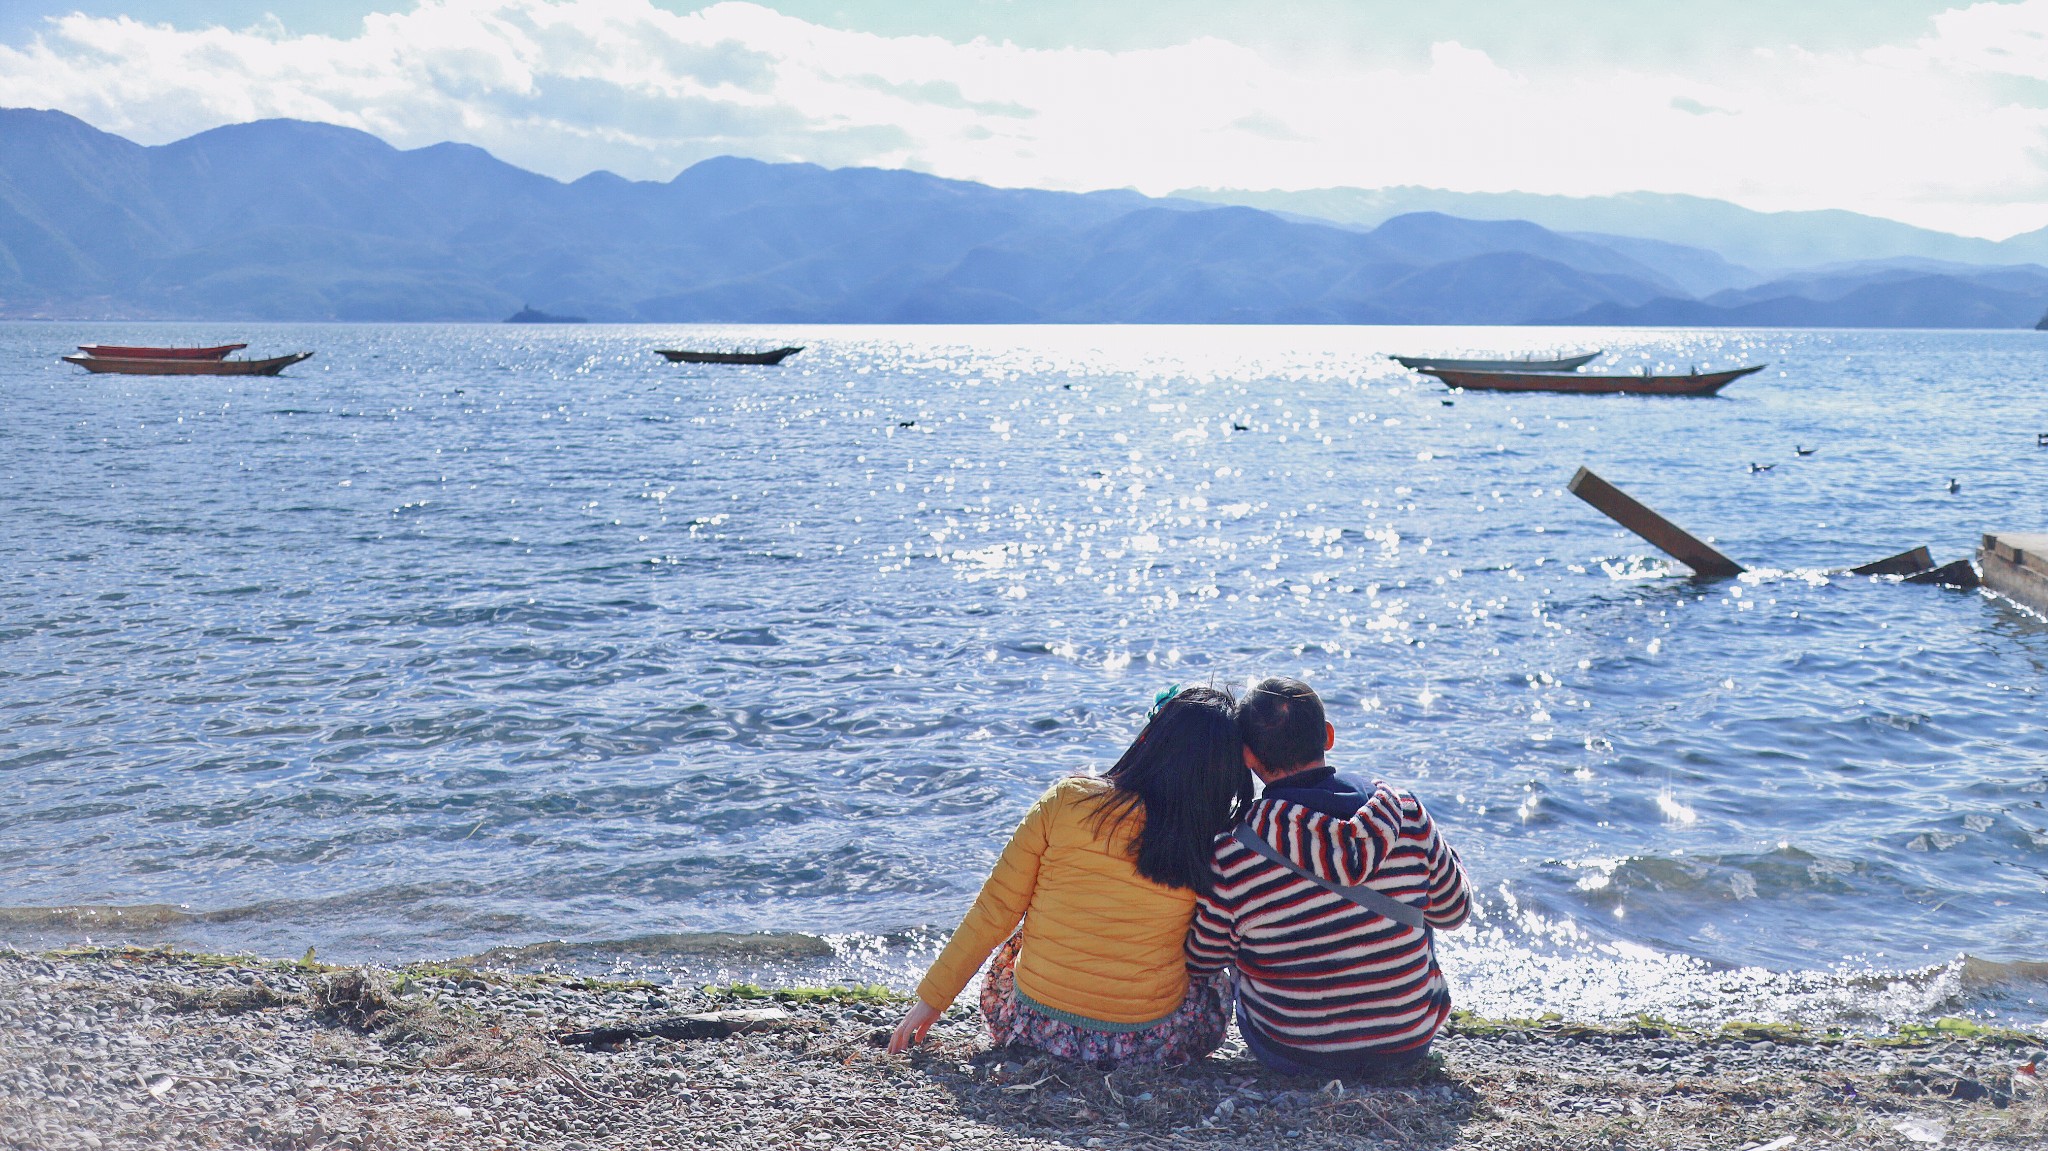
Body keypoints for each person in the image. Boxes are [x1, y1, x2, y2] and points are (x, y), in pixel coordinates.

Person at [887, 684, 1252, 1065]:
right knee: (1209, 971)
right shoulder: (1212, 839)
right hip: (1145, 1043)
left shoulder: (1067, 800)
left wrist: (932, 1001)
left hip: (1037, 1026)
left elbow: (994, 911)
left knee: (1021, 933)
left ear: (1148, 738)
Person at [1187, 676, 1471, 1077]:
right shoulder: (1405, 812)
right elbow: (1455, 912)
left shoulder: (1234, 849)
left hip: (1293, 1049)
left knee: (1244, 931)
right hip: (1408, 1039)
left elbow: (1203, 958)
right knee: (1416, 901)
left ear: (1247, 756)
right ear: (1328, 736)